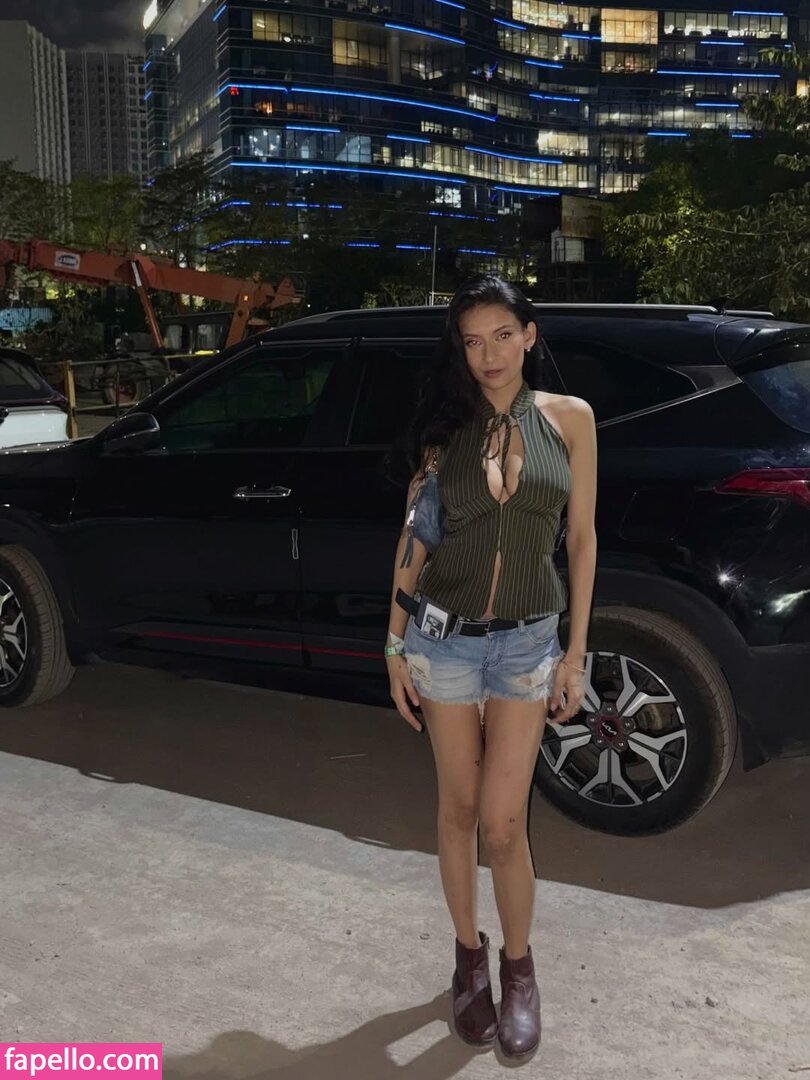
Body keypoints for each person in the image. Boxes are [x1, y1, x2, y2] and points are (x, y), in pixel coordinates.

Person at [385, 275, 597, 1063]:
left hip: (527, 645)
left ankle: (518, 969)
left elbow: (581, 540)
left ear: (530, 335)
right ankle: (467, 957)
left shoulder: (570, 420)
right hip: (444, 642)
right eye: (473, 341)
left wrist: (574, 652)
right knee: (460, 810)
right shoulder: (446, 431)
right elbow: (416, 541)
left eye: (503, 335)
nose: (490, 355)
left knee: (505, 826)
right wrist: (394, 645)